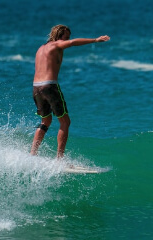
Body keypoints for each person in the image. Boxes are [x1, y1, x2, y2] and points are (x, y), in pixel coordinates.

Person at [31, 24, 110, 158]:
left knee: (46, 121)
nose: (67, 40)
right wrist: (95, 40)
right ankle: (60, 159)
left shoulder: (40, 49)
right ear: (59, 36)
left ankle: (32, 154)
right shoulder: (56, 45)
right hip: (49, 86)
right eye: (66, 37)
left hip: (36, 87)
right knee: (65, 122)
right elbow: (73, 43)